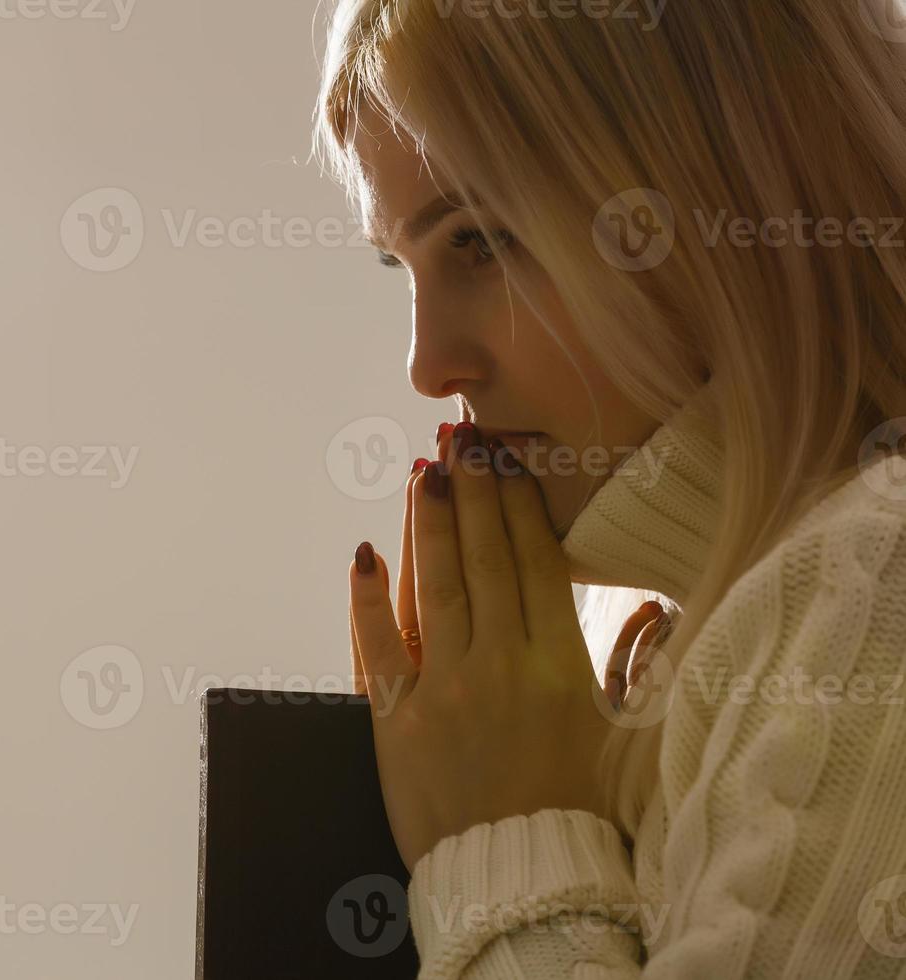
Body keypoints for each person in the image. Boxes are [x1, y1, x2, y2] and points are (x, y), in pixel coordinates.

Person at [315, 1, 906, 975]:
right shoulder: (664, 667)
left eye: (481, 240)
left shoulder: (871, 580)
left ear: (725, 192)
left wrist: (512, 848)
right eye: (401, 265)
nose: (428, 365)